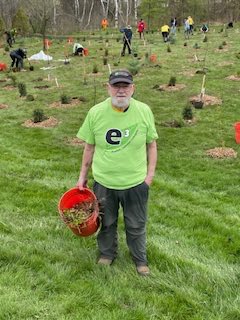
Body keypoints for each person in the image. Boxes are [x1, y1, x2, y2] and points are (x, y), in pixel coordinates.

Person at [76, 69, 158, 276]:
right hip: (105, 182)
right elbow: (89, 147)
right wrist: (82, 177)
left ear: (133, 88)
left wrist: (149, 177)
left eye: (125, 86)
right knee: (106, 222)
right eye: (116, 86)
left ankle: (140, 260)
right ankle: (107, 254)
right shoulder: (95, 113)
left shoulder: (144, 111)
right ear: (108, 88)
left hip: (135, 183)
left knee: (136, 224)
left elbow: (151, 145)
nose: (121, 91)